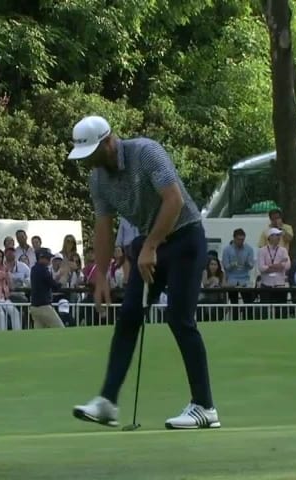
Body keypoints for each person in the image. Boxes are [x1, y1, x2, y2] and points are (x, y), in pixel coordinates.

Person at [68, 115, 220, 430]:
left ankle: (205, 407)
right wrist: (100, 276)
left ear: (109, 142)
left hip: (185, 238)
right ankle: (108, 402)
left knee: (179, 318)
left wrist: (150, 245)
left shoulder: (146, 152)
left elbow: (174, 200)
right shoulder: (97, 178)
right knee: (128, 318)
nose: (87, 164)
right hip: (150, 243)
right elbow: (103, 226)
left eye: (92, 154)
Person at [28, 249, 67, 329]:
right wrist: (62, 280)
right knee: (60, 328)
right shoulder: (43, 270)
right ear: (41, 258)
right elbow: (55, 287)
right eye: (47, 258)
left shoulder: (34, 269)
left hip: (34, 306)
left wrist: (58, 277)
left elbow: (46, 282)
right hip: (44, 306)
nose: (49, 260)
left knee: (39, 335)